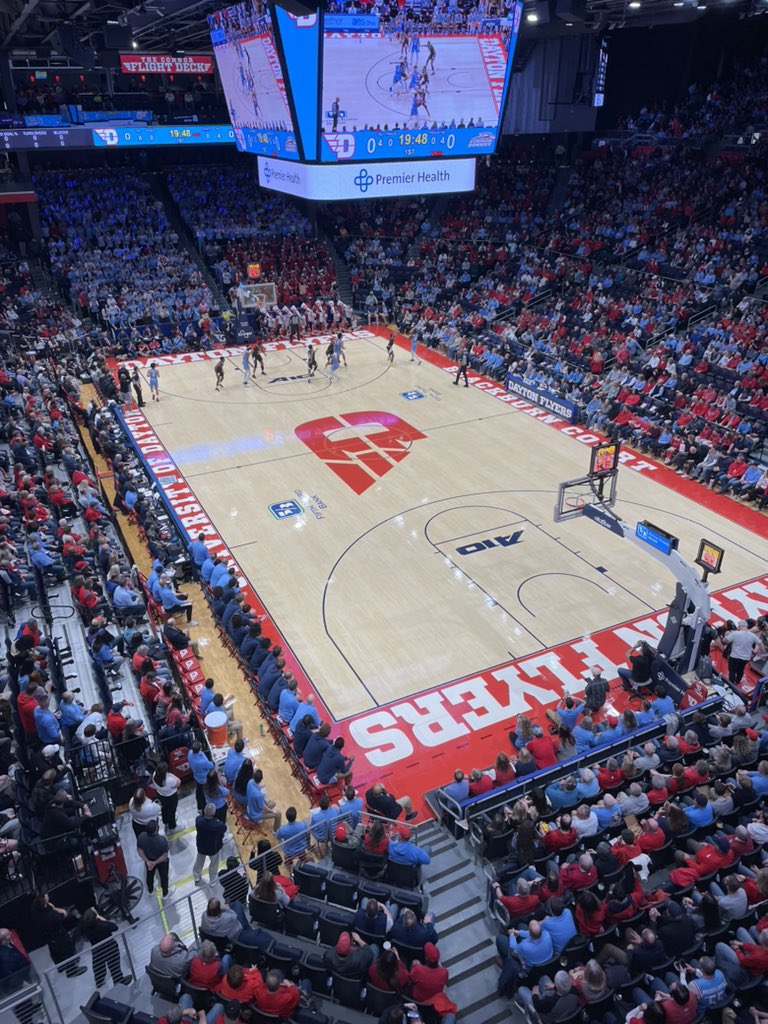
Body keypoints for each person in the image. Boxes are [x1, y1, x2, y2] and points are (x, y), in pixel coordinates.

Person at [80, 907, 132, 987]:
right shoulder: (102, 926)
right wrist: (101, 918)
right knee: (114, 965)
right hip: (109, 947)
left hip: (96, 949)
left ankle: (99, 981)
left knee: (98, 965)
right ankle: (119, 981)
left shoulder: (85, 927)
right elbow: (114, 927)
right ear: (96, 918)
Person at [137, 819, 173, 899]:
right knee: (163, 877)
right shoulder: (162, 840)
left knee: (149, 875)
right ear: (156, 829)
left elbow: (139, 850)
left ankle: (150, 891)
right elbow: (164, 855)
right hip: (161, 862)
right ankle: (165, 894)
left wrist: (147, 861)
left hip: (149, 860)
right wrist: (155, 862)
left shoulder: (141, 836)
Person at [194, 803, 227, 886]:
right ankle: (212, 880)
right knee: (214, 864)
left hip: (201, 845)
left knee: (199, 861)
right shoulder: (217, 825)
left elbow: (200, 817)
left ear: (204, 811)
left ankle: (196, 875)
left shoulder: (198, 820)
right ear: (214, 813)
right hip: (213, 847)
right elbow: (224, 828)